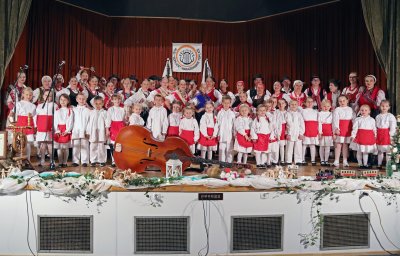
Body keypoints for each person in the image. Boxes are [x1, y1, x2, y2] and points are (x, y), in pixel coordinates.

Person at [9, 87, 36, 161]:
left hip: (29, 124)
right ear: (23, 94)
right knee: (19, 142)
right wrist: (13, 124)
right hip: (20, 124)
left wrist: (35, 127)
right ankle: (19, 160)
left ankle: (28, 160)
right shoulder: (19, 104)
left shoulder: (33, 106)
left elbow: (34, 117)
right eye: (27, 94)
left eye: (30, 95)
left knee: (28, 143)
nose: (28, 96)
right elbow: (13, 114)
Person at [332, 95, 356, 167]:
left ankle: (345, 160)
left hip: (347, 129)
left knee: (345, 145)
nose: (342, 102)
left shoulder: (351, 110)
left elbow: (354, 120)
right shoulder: (337, 109)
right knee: (338, 145)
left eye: (344, 101)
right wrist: (336, 128)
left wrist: (353, 129)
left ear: (347, 101)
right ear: (338, 102)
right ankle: (336, 160)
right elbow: (335, 120)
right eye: (340, 101)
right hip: (340, 128)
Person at [35, 90, 56, 167]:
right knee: (42, 144)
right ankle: (42, 159)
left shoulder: (54, 105)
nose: (48, 97)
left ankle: (51, 160)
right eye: (46, 95)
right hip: (41, 126)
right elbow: (36, 116)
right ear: (43, 96)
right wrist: (35, 126)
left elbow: (56, 117)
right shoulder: (39, 105)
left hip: (50, 126)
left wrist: (55, 127)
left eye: (50, 96)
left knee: (50, 144)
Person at [86, 96, 108, 167]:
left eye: (99, 103)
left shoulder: (105, 112)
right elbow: (89, 122)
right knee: (93, 146)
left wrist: (107, 131)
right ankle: (93, 160)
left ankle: (102, 160)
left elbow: (107, 122)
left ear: (102, 104)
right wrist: (88, 132)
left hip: (101, 131)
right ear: (93, 104)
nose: (98, 105)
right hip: (93, 131)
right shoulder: (91, 112)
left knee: (101, 146)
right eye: (96, 104)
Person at [375, 100, 397, 169]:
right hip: (379, 134)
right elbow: (375, 126)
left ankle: (388, 164)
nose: (384, 108)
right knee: (380, 150)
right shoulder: (378, 116)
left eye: (386, 106)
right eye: (382, 106)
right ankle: (379, 164)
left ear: (389, 107)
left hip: (387, 134)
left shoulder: (390, 116)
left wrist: (391, 136)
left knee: (388, 150)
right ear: (379, 107)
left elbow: (393, 126)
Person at [106, 94, 127, 167]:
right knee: (113, 143)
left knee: (121, 143)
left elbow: (124, 119)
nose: (117, 101)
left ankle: (120, 160)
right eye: (115, 99)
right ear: (112, 100)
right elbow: (108, 119)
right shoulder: (110, 109)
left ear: (120, 100)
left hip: (121, 126)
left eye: (118, 99)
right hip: (114, 126)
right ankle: (113, 161)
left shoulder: (123, 109)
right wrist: (107, 129)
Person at [54, 94, 74, 167]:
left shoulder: (70, 111)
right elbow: (55, 121)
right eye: (61, 100)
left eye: (65, 100)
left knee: (65, 147)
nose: (63, 101)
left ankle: (65, 162)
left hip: (66, 129)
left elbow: (71, 121)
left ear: (68, 101)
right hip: (59, 129)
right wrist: (57, 130)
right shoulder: (57, 111)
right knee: (59, 147)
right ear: (59, 101)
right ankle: (60, 162)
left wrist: (67, 130)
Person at [71, 93, 91, 167]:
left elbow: (89, 122)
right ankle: (75, 161)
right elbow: (71, 120)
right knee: (76, 145)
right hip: (76, 129)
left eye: (83, 99)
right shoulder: (74, 109)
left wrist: (88, 131)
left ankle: (84, 161)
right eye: (80, 99)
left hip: (84, 129)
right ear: (76, 99)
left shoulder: (88, 111)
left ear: (85, 100)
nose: (81, 100)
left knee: (85, 145)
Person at [215, 96, 235, 163]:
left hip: (229, 134)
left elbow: (234, 125)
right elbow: (217, 124)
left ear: (230, 104)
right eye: (225, 103)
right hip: (222, 134)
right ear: (222, 103)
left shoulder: (232, 113)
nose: (226, 105)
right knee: (221, 149)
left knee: (229, 149)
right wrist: (217, 134)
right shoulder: (220, 113)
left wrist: (234, 133)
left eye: (228, 103)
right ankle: (222, 162)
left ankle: (229, 162)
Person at [285, 100, 305, 165]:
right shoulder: (287, 114)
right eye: (292, 104)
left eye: (295, 104)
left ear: (297, 105)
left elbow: (302, 124)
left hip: (297, 133)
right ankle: (288, 160)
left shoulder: (299, 114)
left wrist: (301, 133)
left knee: (298, 147)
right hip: (290, 133)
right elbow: (286, 124)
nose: (293, 106)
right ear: (289, 105)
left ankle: (298, 160)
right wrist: (287, 133)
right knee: (289, 148)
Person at [301, 97, 319, 165]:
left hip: (313, 129)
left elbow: (318, 122)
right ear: (305, 103)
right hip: (305, 129)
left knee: (312, 145)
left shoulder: (316, 111)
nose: (309, 103)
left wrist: (318, 131)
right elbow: (301, 121)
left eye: (311, 101)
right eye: (308, 102)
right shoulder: (302, 111)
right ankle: (302, 159)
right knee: (304, 145)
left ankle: (313, 160)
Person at [318, 100, 334, 166]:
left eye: (328, 106)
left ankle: (326, 160)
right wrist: (320, 132)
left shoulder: (331, 114)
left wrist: (333, 133)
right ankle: (322, 160)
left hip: (329, 131)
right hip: (322, 131)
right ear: (321, 106)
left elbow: (333, 124)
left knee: (327, 147)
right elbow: (319, 123)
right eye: (324, 106)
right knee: (321, 146)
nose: (326, 107)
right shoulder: (319, 113)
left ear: (330, 106)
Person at [265, 100, 279, 166]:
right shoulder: (262, 114)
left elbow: (276, 124)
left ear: (271, 106)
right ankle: (267, 161)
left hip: (273, 133)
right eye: (266, 106)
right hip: (265, 132)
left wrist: (277, 134)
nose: (268, 107)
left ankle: (275, 161)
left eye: (269, 106)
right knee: (267, 148)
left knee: (274, 148)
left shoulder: (274, 114)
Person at [275, 98, 288, 165]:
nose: (281, 105)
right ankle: (276, 160)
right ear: (277, 104)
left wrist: (287, 132)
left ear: (285, 104)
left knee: (282, 146)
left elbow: (288, 123)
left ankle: (282, 160)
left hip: (283, 129)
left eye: (282, 103)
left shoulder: (287, 113)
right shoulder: (276, 112)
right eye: (279, 103)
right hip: (277, 129)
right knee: (276, 146)